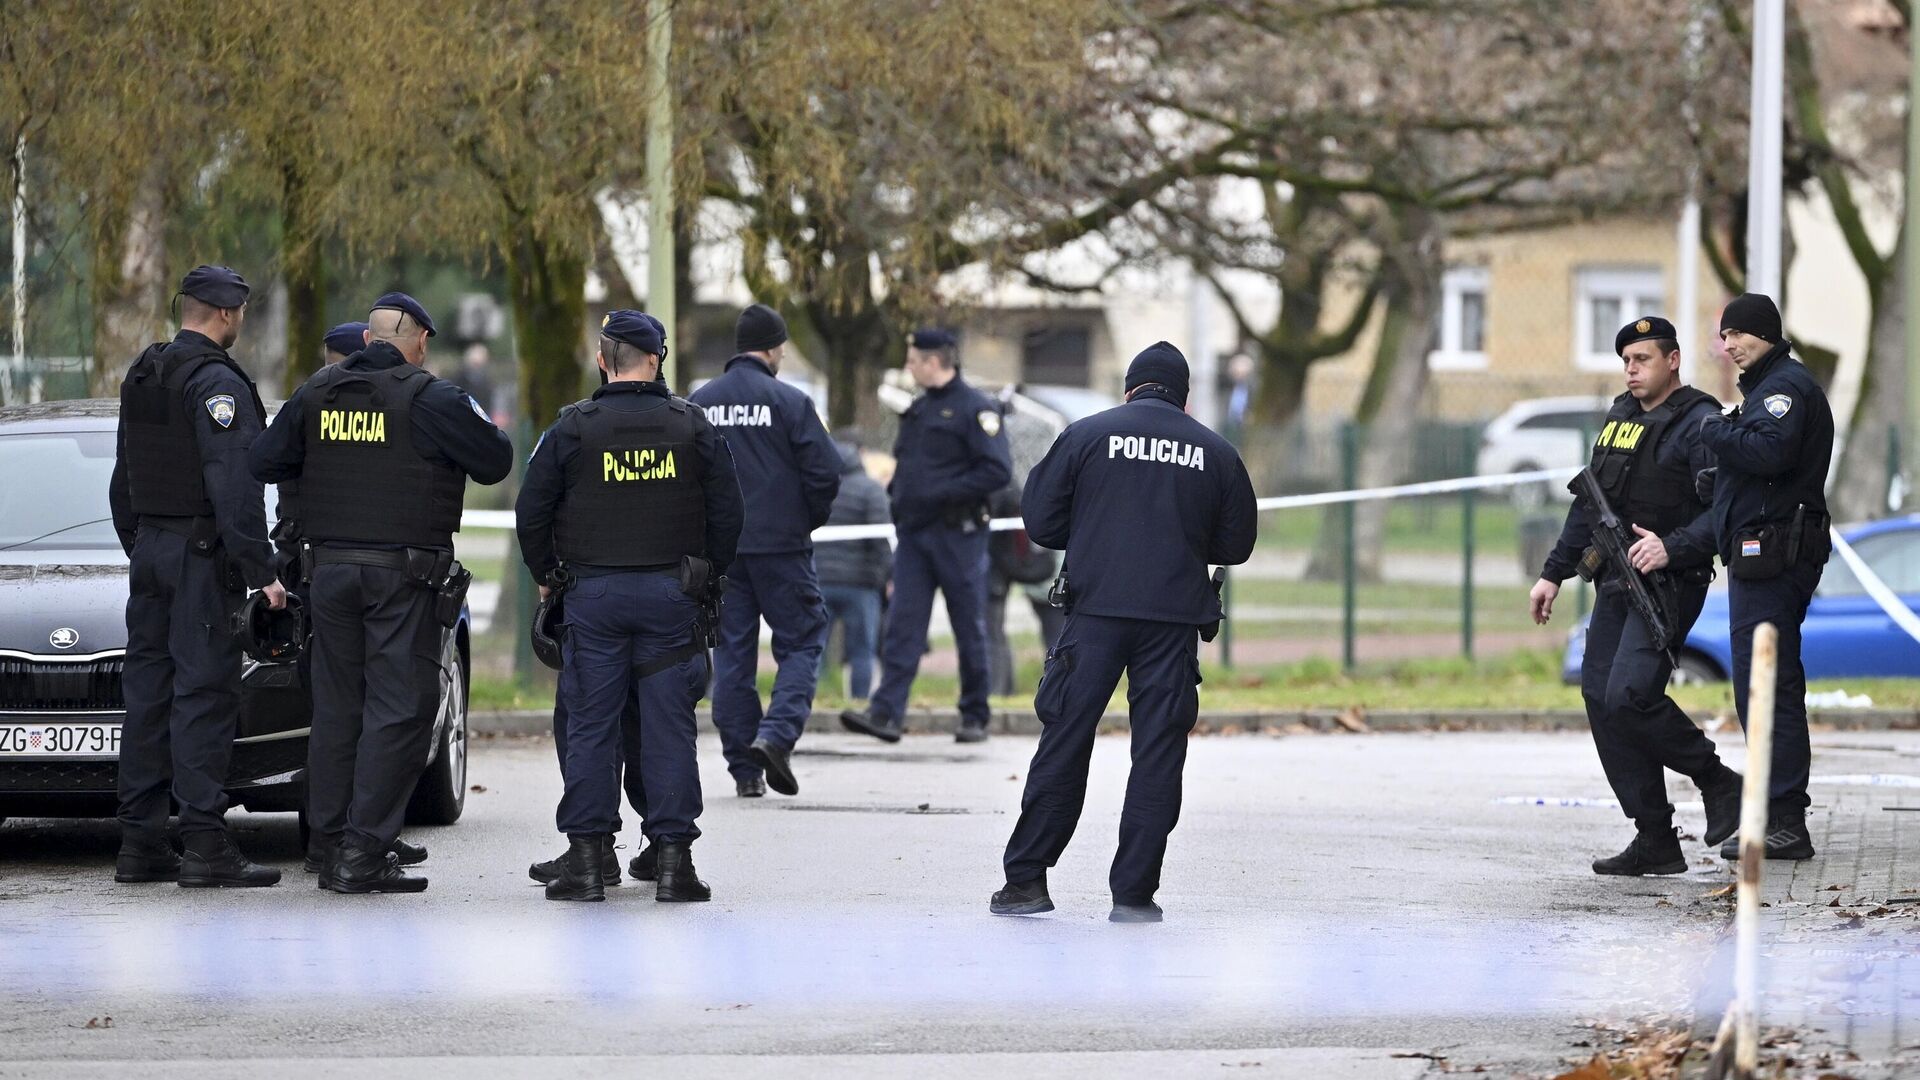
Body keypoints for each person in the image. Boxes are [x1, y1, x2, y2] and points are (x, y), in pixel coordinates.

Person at [249, 293, 512, 893]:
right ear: (415, 341)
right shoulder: (432, 397)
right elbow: (496, 460)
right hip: (402, 579)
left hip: (330, 576)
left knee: (338, 709)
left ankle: (327, 842)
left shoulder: (317, 393)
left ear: (368, 341)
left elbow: (265, 460)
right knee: (403, 708)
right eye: (426, 341)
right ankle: (364, 851)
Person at [992, 342, 1257, 923]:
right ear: (1184, 397)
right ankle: (1134, 894)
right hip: (1174, 622)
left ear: (1130, 388)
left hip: (1093, 613)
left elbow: (1040, 520)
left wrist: (1094, 528)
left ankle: (1026, 881)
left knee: (1065, 740)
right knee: (1158, 754)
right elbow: (1236, 544)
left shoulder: (1087, 435)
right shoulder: (1216, 451)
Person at [515, 310, 743, 902]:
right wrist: (709, 575)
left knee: (591, 726)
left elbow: (531, 511)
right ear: (657, 359)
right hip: (673, 597)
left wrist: (546, 579)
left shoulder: (572, 429)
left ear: (601, 360)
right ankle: (673, 864)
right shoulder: (691, 426)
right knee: (669, 727)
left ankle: (588, 863)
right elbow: (729, 512)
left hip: (593, 598)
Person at [1528, 316, 1743, 876]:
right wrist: (1553, 574)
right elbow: (1589, 502)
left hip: (1671, 583)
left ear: (1673, 360)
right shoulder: (1620, 416)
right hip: (1616, 580)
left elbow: (1727, 513)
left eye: (1642, 358)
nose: (1631, 369)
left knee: (1629, 695)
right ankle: (1655, 838)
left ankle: (1718, 780)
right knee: (1599, 696)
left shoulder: (1700, 423)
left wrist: (1673, 547)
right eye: (1625, 360)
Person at [109, 265, 287, 888]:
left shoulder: (144, 371)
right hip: (198, 555)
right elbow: (233, 486)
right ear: (227, 313)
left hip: (152, 551)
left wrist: (143, 543)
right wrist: (260, 571)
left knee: (148, 696)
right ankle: (206, 845)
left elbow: (123, 479)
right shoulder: (215, 382)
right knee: (204, 695)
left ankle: (141, 844)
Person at [1698, 293, 1834, 861]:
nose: (1728, 344)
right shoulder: (1765, 390)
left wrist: (1715, 432)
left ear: (1765, 334)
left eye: (1738, 334)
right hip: (1759, 556)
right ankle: (1771, 813)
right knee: (1761, 686)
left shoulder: (1784, 390)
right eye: (1724, 336)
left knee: (1769, 687)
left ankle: (1783, 821)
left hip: (1775, 558)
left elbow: (1771, 453)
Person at [688, 304, 840, 797]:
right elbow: (825, 472)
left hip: (723, 552)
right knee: (802, 640)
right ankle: (775, 736)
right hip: (783, 549)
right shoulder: (789, 401)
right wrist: (803, 521)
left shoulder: (700, 403)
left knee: (732, 653)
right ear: (774, 348)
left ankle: (744, 770)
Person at [841, 329, 1012, 743]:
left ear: (934, 361)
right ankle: (886, 714)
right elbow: (908, 468)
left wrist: (941, 491)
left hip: (959, 536)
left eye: (913, 359)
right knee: (902, 626)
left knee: (968, 627)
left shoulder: (976, 409)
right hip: (916, 537)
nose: (908, 366)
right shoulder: (918, 410)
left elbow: (997, 471)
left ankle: (975, 714)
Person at [815, 437, 892, 701]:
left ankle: (813, 699)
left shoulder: (817, 489)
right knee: (862, 651)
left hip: (819, 582)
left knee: (814, 647)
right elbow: (882, 538)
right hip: (861, 585)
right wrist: (884, 576)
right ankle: (859, 700)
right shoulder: (871, 490)